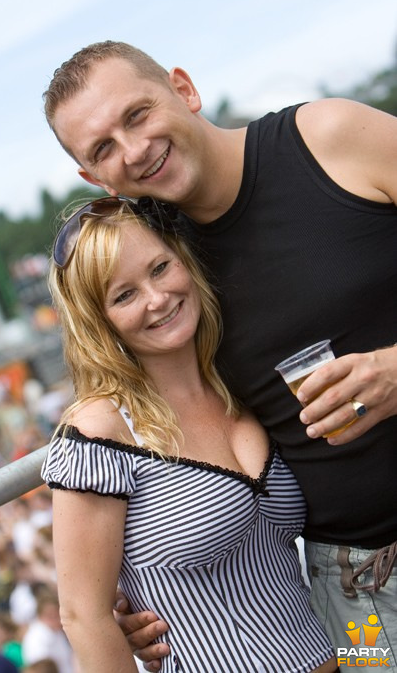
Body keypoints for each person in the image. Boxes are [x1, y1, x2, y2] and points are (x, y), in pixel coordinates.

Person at [42, 41, 397, 669]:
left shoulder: (328, 138)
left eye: (137, 115)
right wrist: (119, 611)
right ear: (94, 179)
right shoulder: (166, 270)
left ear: (184, 89)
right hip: (357, 595)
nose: (133, 149)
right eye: (102, 149)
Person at [41, 197, 336, 672]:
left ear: (185, 263)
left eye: (159, 268)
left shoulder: (241, 387)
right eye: (124, 295)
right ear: (100, 324)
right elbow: (83, 616)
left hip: (342, 656)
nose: (157, 298)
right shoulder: (100, 430)